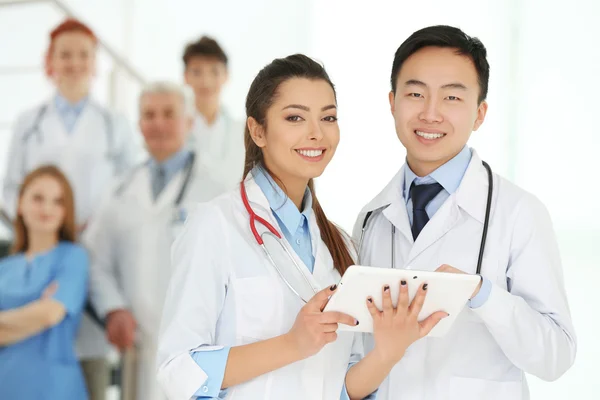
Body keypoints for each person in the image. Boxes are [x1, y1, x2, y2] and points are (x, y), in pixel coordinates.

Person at [156, 54, 447, 400]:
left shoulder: (341, 244)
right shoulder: (215, 225)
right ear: (257, 130)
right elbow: (178, 371)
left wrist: (388, 353)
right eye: (295, 117)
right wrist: (292, 344)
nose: (316, 133)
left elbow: (339, 388)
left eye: (328, 117)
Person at [353, 25, 577, 400]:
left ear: (479, 113)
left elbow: (555, 356)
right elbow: (358, 351)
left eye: (452, 98)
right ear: (392, 102)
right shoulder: (372, 218)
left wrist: (482, 294)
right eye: (414, 93)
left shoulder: (519, 213)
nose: (430, 113)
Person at [1, 18, 142, 398]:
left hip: (95, 255)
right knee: (29, 346)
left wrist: (91, 226)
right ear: (50, 62)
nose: (74, 62)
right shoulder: (29, 123)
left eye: (83, 55)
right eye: (65, 54)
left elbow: (132, 190)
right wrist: (46, 224)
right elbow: (11, 187)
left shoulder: (115, 124)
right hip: (44, 253)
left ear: (95, 64)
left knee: (89, 367)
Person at [83, 82, 228, 400]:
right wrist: (113, 308)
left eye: (168, 114)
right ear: (139, 125)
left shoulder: (217, 188)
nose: (158, 123)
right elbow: (95, 260)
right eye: (149, 115)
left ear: (189, 122)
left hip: (200, 347)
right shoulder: (120, 190)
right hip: (139, 348)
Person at [0, 165, 89, 399]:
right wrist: (34, 314)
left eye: (58, 201)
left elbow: (50, 314)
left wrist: (13, 323)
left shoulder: (73, 257)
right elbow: (41, 315)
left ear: (65, 211)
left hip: (55, 388)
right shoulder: (4, 269)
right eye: (38, 198)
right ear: (20, 204)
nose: (47, 208)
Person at [182, 35, 245, 188]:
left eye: (214, 72)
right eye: (197, 72)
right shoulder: (175, 127)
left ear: (226, 76)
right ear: (186, 77)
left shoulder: (241, 130)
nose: (206, 81)